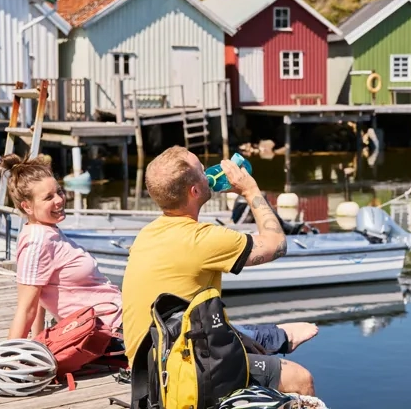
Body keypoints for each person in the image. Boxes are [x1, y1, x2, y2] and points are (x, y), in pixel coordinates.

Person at [122, 146, 318, 396]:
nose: (209, 174)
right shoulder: (203, 239)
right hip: (177, 374)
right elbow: (277, 244)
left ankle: (272, 338)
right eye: (203, 172)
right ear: (194, 191)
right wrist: (250, 190)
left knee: (235, 333)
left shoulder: (146, 235)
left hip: (147, 367)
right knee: (300, 378)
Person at [0, 154, 124, 386]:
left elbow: (41, 298)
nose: (59, 199)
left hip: (117, 318)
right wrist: (2, 366)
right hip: (111, 332)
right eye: (48, 197)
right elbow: (27, 308)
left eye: (59, 191)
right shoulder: (37, 242)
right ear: (27, 206)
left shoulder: (49, 230)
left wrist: (39, 343)